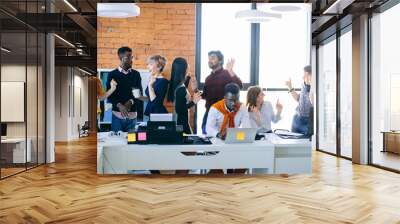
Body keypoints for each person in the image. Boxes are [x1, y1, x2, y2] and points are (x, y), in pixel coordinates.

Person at [201, 50, 243, 134]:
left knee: (225, 141)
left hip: (223, 114)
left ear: (220, 61)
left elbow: (239, 86)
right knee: (206, 139)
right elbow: (205, 96)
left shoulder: (227, 74)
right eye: (208, 58)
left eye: (212, 58)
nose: (209, 60)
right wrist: (195, 90)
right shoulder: (208, 78)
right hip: (209, 114)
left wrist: (230, 71)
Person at [106, 46, 142, 132]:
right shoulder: (112, 74)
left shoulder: (136, 74)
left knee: (132, 143)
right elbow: (109, 96)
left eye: (131, 56)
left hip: (132, 117)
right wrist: (120, 105)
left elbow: (138, 94)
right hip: (117, 117)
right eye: (129, 57)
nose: (131, 59)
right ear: (121, 58)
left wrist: (130, 102)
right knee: (116, 143)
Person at [167, 57, 202, 134]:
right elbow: (180, 109)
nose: (189, 67)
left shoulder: (177, 84)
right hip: (182, 124)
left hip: (181, 122)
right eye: (187, 65)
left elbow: (182, 97)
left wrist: (189, 80)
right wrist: (193, 102)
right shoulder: (180, 89)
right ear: (184, 69)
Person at [285, 65, 313, 135]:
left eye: (304, 74)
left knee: (306, 143)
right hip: (297, 119)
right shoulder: (303, 85)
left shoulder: (316, 86)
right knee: (294, 141)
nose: (302, 77)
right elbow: (298, 98)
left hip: (308, 121)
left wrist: (312, 85)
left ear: (307, 74)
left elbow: (313, 102)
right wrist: (290, 87)